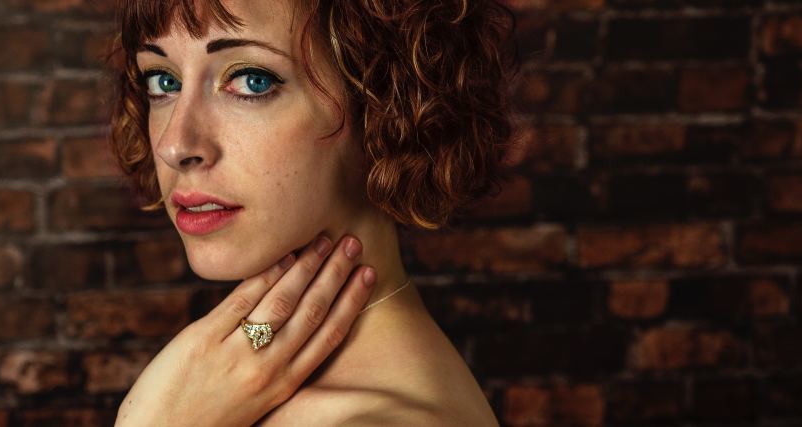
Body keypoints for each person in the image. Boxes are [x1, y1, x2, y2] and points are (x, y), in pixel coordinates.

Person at [106, 0, 519, 424]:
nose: (176, 145)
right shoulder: (227, 388)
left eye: (252, 80)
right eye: (163, 81)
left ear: (384, 104)